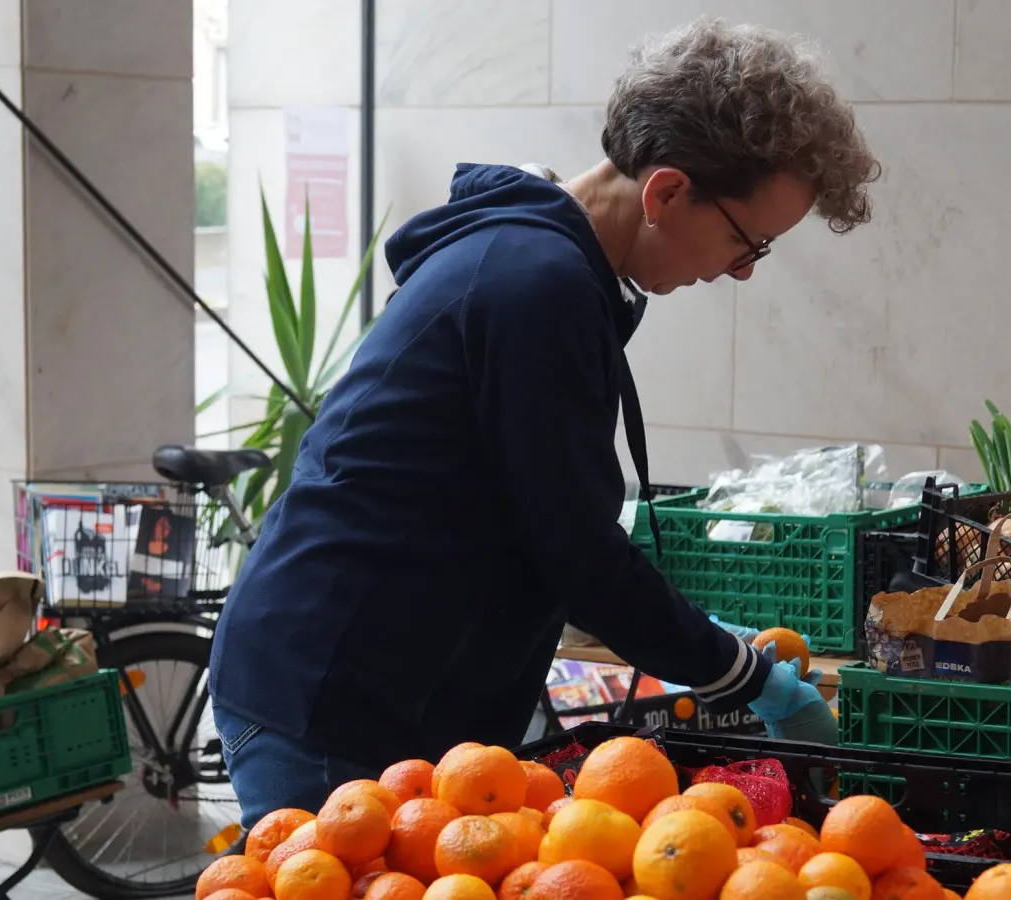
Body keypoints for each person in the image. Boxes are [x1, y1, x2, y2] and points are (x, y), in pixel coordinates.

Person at [208, 16, 882, 829]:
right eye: (749, 243)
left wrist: (702, 642)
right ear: (667, 192)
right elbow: (574, 550)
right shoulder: (536, 284)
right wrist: (739, 674)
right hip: (334, 691)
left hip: (386, 684)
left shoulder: (547, 268)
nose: (738, 271)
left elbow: (535, 517)